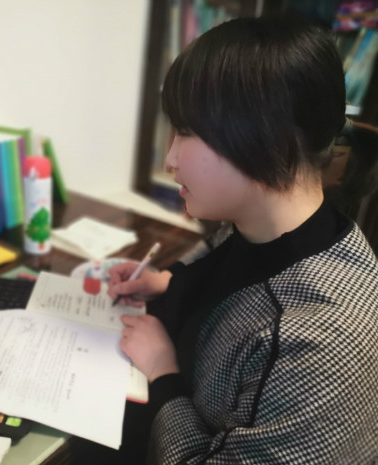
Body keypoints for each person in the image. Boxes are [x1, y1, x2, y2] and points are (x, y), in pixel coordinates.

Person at [104, 16, 378, 464]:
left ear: (266, 140)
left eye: (187, 132)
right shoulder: (252, 224)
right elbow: (226, 272)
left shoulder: (322, 344)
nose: (171, 158)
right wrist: (165, 282)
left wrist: (162, 372)